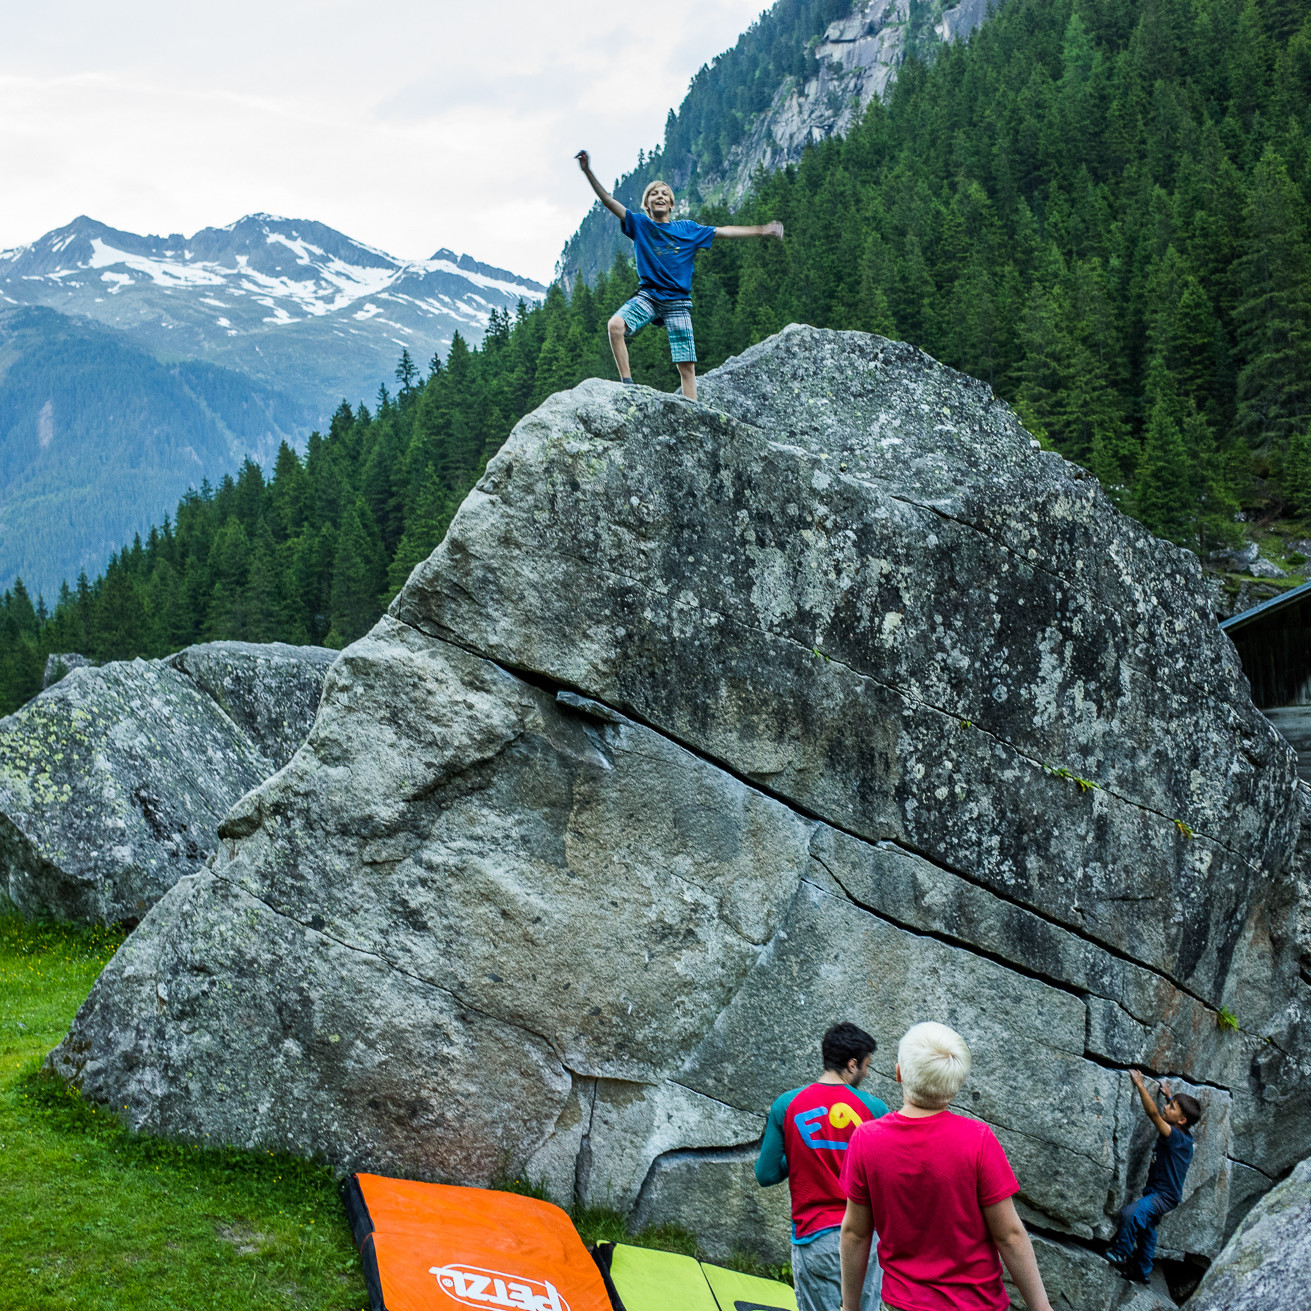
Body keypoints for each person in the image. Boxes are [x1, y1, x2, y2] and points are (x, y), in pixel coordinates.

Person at [838, 1022, 1053, 1311]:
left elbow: (855, 1232)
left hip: (904, 1303)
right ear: (956, 1084)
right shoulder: (977, 1140)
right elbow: (1009, 1235)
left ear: (899, 1073)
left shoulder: (866, 1140)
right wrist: (1042, 1308)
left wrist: (850, 1307)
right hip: (977, 1304)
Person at [575, 150, 784, 400]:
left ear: (672, 204)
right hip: (649, 296)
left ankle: (691, 410)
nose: (659, 196)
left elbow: (725, 232)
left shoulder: (688, 229)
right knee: (615, 325)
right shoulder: (640, 224)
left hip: (677, 303)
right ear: (647, 204)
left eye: (664, 194)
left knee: (687, 367)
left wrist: (762, 230)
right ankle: (627, 385)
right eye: (654, 194)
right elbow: (609, 201)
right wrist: (588, 171)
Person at [755, 1022, 890, 1311]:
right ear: (852, 1065)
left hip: (814, 1237)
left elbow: (765, 1175)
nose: (866, 1072)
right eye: (867, 1065)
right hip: (864, 1239)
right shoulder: (876, 1111)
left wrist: (799, 1154)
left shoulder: (787, 1105)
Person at [1104, 1069, 1202, 1286]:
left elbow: (1154, 1115)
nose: (1166, 1108)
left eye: (1171, 1107)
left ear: (1182, 1120)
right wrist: (1169, 1095)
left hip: (1162, 1196)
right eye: (1169, 1104)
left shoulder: (1175, 1136)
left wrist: (1140, 1085)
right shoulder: (1184, 1134)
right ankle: (1142, 1270)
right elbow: (1172, 1114)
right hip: (1163, 1194)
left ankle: (1121, 1252)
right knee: (1147, 1229)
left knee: (1130, 1214)